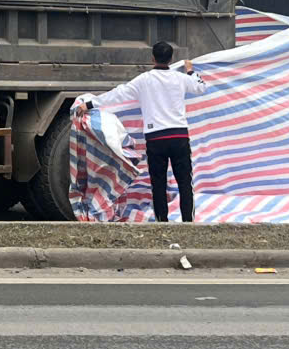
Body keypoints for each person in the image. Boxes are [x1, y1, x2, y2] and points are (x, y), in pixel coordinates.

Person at [74, 41, 207, 222]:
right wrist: (190, 70)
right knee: (185, 182)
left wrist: (89, 104)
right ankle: (188, 223)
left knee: (158, 183)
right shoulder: (180, 78)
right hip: (179, 136)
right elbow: (201, 87)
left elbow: (117, 94)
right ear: (171, 59)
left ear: (152, 58)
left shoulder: (144, 80)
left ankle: (162, 222)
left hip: (156, 139)